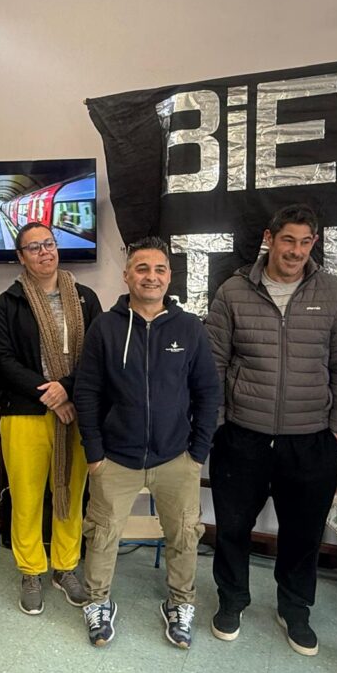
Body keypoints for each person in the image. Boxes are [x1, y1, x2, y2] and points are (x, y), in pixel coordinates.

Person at [204, 203, 337, 656]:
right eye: (288, 240)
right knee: (233, 528)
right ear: (269, 239)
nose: (295, 250)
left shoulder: (335, 293)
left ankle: (294, 608)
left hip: (311, 439)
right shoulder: (234, 291)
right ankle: (232, 601)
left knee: (303, 533)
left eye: (305, 241)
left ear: (314, 244)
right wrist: (217, 425)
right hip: (242, 436)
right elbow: (213, 364)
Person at [73, 236, 220, 649]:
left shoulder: (189, 329)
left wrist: (197, 454)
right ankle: (98, 602)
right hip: (115, 458)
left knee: (184, 535)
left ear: (169, 277)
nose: (150, 277)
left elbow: (209, 392)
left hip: (176, 457)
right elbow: (87, 392)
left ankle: (180, 603)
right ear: (127, 276)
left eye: (158, 269)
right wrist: (95, 453)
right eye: (142, 269)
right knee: (102, 535)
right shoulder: (105, 327)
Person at [0, 222, 102, 614]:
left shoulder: (85, 298)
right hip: (25, 412)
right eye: (34, 247)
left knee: (71, 494)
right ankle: (31, 569)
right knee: (26, 497)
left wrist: (67, 388)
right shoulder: (9, 302)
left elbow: (96, 355)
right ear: (21, 257)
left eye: (49, 244)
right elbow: (2, 359)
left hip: (76, 413)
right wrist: (49, 394)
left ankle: (65, 567)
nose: (44, 252)